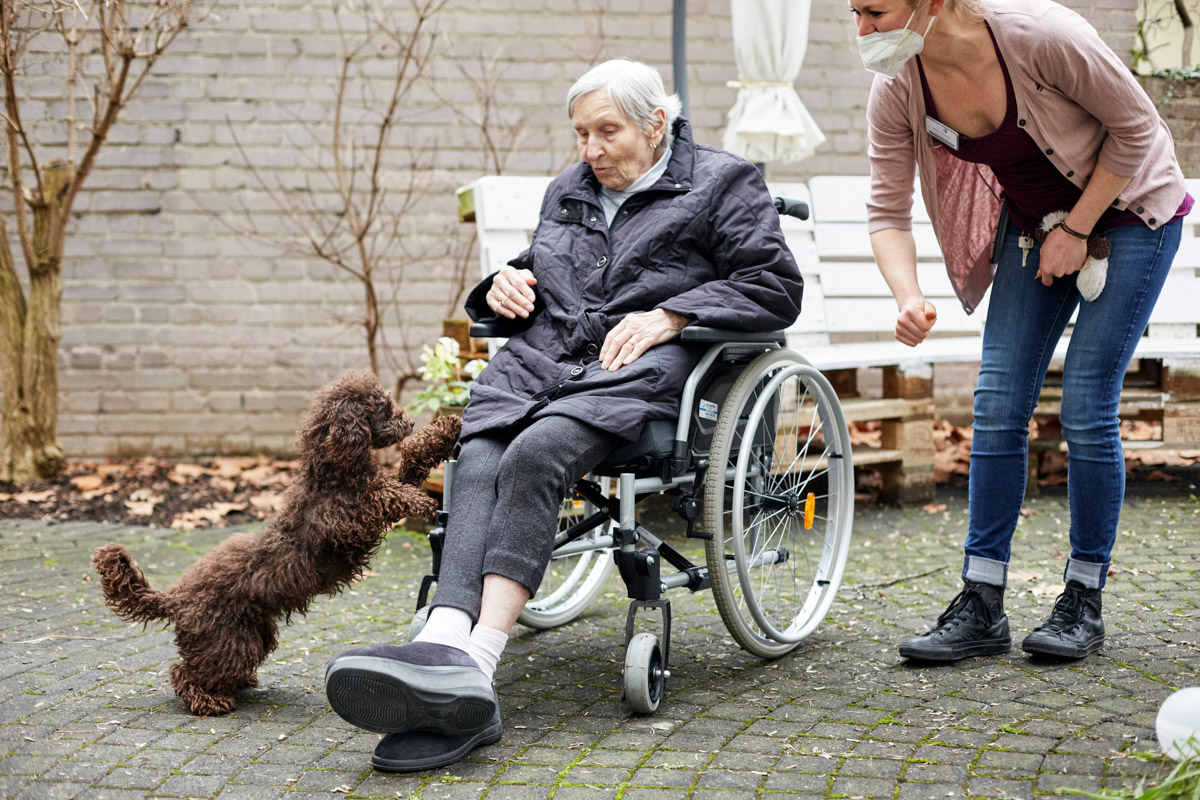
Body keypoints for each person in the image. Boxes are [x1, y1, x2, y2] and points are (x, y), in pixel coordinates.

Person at [323, 58, 804, 772]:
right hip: (546, 360)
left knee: (536, 453)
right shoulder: (570, 190)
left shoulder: (722, 182)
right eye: (581, 133)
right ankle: (446, 639)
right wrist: (505, 285)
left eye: (605, 131)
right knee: (478, 453)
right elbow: (547, 267)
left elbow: (772, 286)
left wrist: (673, 315)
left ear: (655, 125)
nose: (590, 149)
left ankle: (475, 669)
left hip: (633, 367)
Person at [853, 0, 1191, 663]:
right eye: (855, 12)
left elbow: (1139, 129)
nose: (861, 31)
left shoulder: (1042, 37)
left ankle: (1083, 600)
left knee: (1086, 406)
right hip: (1035, 224)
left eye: (874, 11)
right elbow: (886, 207)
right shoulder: (898, 85)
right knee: (999, 403)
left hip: (1130, 212)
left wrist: (1078, 228)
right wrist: (909, 296)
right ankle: (981, 602)